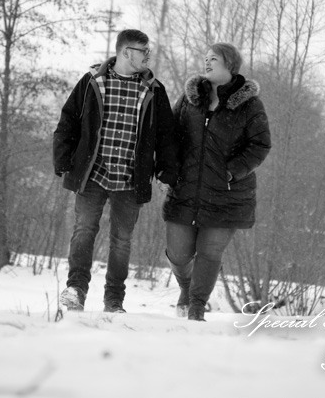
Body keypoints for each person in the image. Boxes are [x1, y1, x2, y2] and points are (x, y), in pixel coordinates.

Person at [53, 29, 179, 313]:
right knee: (84, 230)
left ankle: (114, 301)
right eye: (142, 51)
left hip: (131, 179)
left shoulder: (154, 90)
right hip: (92, 174)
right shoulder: (91, 82)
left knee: (121, 241)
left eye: (148, 52)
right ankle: (75, 290)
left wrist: (166, 172)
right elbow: (68, 121)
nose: (148, 56)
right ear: (125, 52)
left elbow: (166, 135)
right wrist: (62, 160)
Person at [162, 43, 271, 321]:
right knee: (178, 252)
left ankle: (197, 306)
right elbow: (171, 136)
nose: (207, 63)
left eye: (214, 59)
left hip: (228, 195)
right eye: (206, 58)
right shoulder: (190, 98)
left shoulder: (249, 105)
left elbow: (260, 144)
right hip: (185, 189)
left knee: (209, 252)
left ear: (230, 65)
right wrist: (167, 172)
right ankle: (187, 289)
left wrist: (232, 171)